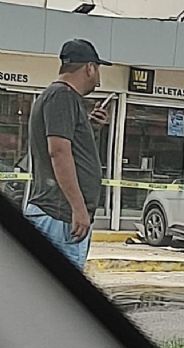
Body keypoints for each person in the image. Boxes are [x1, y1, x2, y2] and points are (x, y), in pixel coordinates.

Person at [24, 39, 111, 270]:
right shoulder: (62, 96)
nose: (98, 77)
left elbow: (68, 148)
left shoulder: (61, 98)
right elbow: (59, 153)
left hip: (61, 217)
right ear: (90, 67)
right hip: (59, 216)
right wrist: (79, 208)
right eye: (98, 69)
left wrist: (91, 128)